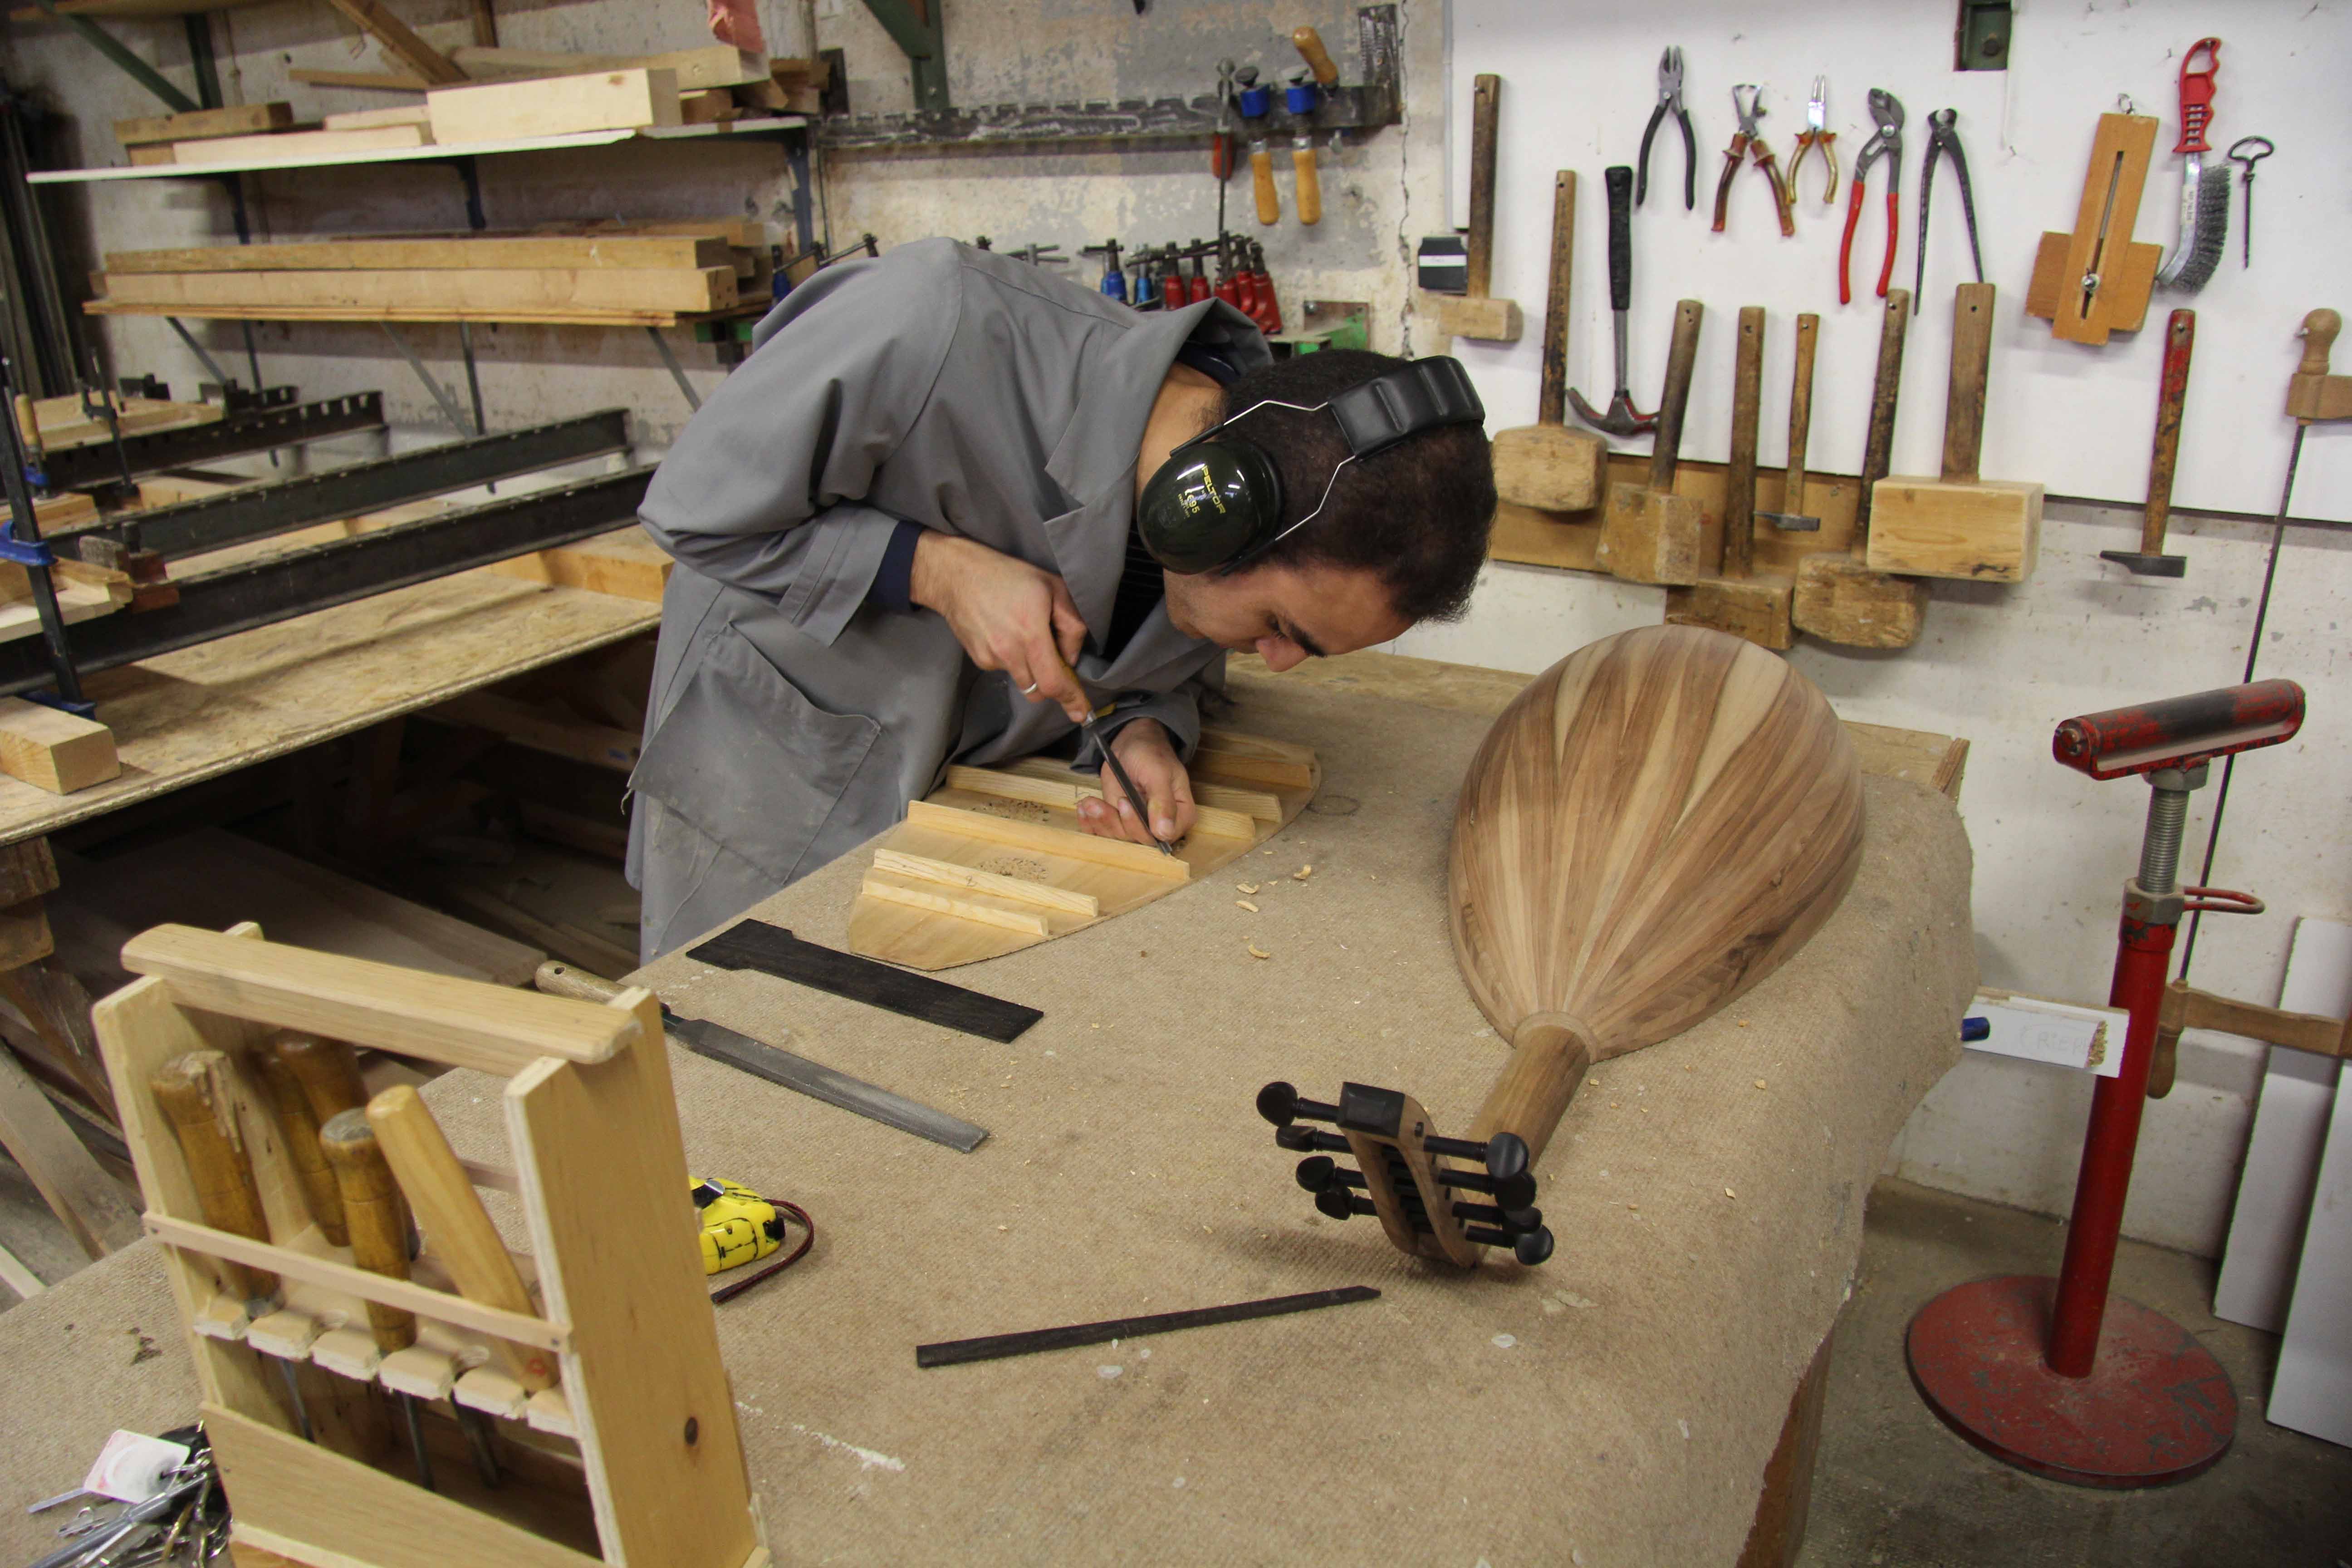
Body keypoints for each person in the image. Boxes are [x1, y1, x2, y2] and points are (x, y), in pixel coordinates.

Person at [627, 237, 1496, 959]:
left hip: (954, 823)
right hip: (776, 787)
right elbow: (690, 508)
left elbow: (1145, 658)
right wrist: (933, 568)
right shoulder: (931, 320)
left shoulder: (1211, 518)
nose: (1275, 662)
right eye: (1279, 628)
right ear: (1214, 505)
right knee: (721, 1098)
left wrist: (1145, 727)